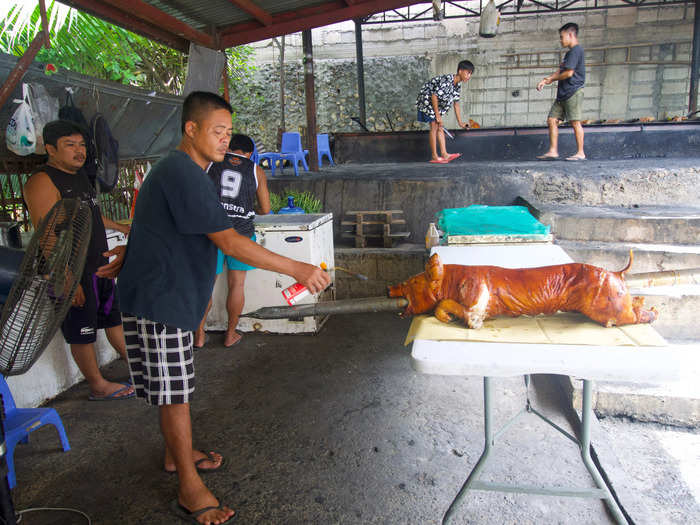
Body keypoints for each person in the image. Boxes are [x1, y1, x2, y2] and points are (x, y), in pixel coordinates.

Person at [114, 91, 330, 525]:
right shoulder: (184, 172)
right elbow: (230, 241)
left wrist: (132, 253)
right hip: (163, 298)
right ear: (191, 129)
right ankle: (190, 489)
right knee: (175, 395)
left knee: (172, 388)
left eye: (228, 132)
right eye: (217, 131)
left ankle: (180, 457)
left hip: (164, 289)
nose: (224, 139)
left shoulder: (189, 171)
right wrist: (297, 269)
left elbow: (150, 222)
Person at [23, 120, 134, 401]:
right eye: (70, 145)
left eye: (82, 145)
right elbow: (46, 233)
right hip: (71, 269)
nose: (79, 151)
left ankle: (139, 368)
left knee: (113, 318)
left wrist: (121, 228)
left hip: (100, 264)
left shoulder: (82, 177)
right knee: (81, 330)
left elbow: (93, 214)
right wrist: (66, 277)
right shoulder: (42, 181)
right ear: (50, 149)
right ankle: (98, 384)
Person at [194, 133, 271, 349]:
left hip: (212, 233)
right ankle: (230, 334)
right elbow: (265, 209)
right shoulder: (256, 170)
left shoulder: (211, 163)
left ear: (228, 147)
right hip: (241, 234)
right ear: (249, 153)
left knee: (206, 285)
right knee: (237, 284)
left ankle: (199, 335)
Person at [536, 22, 586, 161]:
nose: (560, 40)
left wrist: (552, 80)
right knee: (552, 120)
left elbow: (568, 73)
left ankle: (580, 152)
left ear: (570, 35)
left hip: (573, 91)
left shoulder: (576, 51)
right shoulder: (568, 54)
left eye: (561, 36)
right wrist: (546, 80)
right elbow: (561, 70)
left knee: (575, 122)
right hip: (563, 93)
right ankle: (553, 151)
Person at [415, 60, 474, 164]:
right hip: (427, 100)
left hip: (437, 104)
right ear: (460, 71)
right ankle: (434, 156)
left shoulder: (457, 85)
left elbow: (456, 104)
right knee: (434, 125)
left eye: (470, 74)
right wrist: (437, 116)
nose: (469, 76)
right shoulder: (447, 80)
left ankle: (444, 154)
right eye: (467, 73)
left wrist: (460, 123)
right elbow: (434, 96)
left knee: (440, 127)